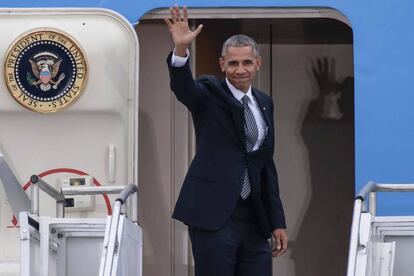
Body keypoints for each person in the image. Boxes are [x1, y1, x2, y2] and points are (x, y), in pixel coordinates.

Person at [164, 6, 288, 276]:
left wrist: (277, 221)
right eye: (233, 63)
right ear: (222, 65)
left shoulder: (265, 103)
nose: (240, 69)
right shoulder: (209, 93)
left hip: (254, 217)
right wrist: (181, 51)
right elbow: (184, 88)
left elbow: (266, 165)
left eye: (246, 62)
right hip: (214, 214)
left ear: (258, 63)